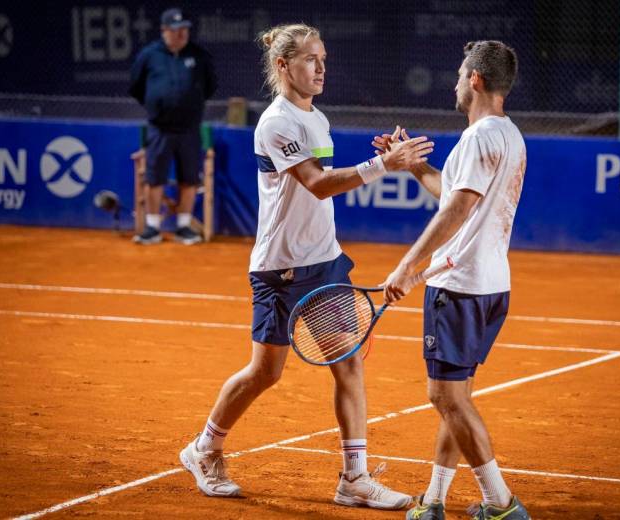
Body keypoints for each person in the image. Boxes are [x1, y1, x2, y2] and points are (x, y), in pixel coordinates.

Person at [178, 23, 434, 510]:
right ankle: (204, 448)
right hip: (280, 270)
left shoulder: (317, 117)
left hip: (324, 263)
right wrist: (384, 166)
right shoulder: (276, 123)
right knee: (264, 373)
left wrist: (382, 159)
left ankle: (354, 478)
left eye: (324, 60)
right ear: (283, 65)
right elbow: (316, 184)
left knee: (349, 364)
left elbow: (324, 184)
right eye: (310, 59)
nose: (320, 69)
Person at [376, 41, 531, 520]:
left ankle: (501, 504)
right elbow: (454, 195)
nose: (456, 83)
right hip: (490, 286)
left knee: (444, 395)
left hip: (459, 286)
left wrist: (408, 267)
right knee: (456, 396)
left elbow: (457, 211)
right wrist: (415, 166)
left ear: (476, 81)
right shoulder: (508, 135)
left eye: (462, 75)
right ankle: (434, 500)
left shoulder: (477, 138)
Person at [128, 8, 217, 245]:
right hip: (160, 129)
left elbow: (210, 86)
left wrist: (189, 104)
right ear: (164, 30)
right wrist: (156, 104)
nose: (182, 34)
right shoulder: (149, 55)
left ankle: (183, 227)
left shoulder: (198, 55)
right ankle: (152, 228)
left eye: (185, 29)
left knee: (189, 178)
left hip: (189, 129)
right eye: (176, 30)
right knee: (154, 177)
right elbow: (136, 86)